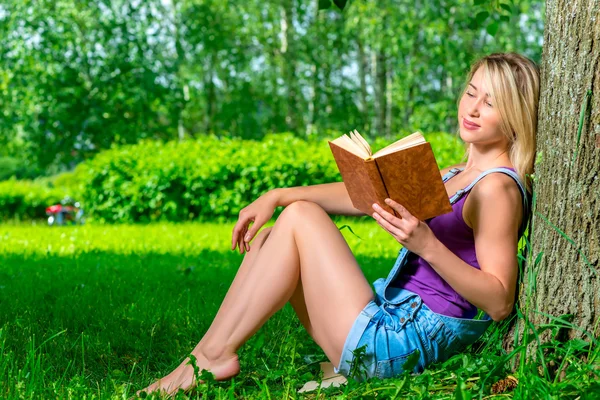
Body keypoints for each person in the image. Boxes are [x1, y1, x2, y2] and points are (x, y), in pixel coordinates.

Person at [138, 52, 540, 396]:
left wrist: (426, 244)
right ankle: (206, 356)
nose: (472, 108)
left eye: (491, 102)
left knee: (299, 219)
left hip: (403, 343)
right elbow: (361, 197)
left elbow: (500, 301)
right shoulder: (454, 173)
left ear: (517, 114)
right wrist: (278, 194)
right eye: (471, 92)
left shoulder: (497, 189)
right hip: (389, 314)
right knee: (270, 238)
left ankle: (209, 360)